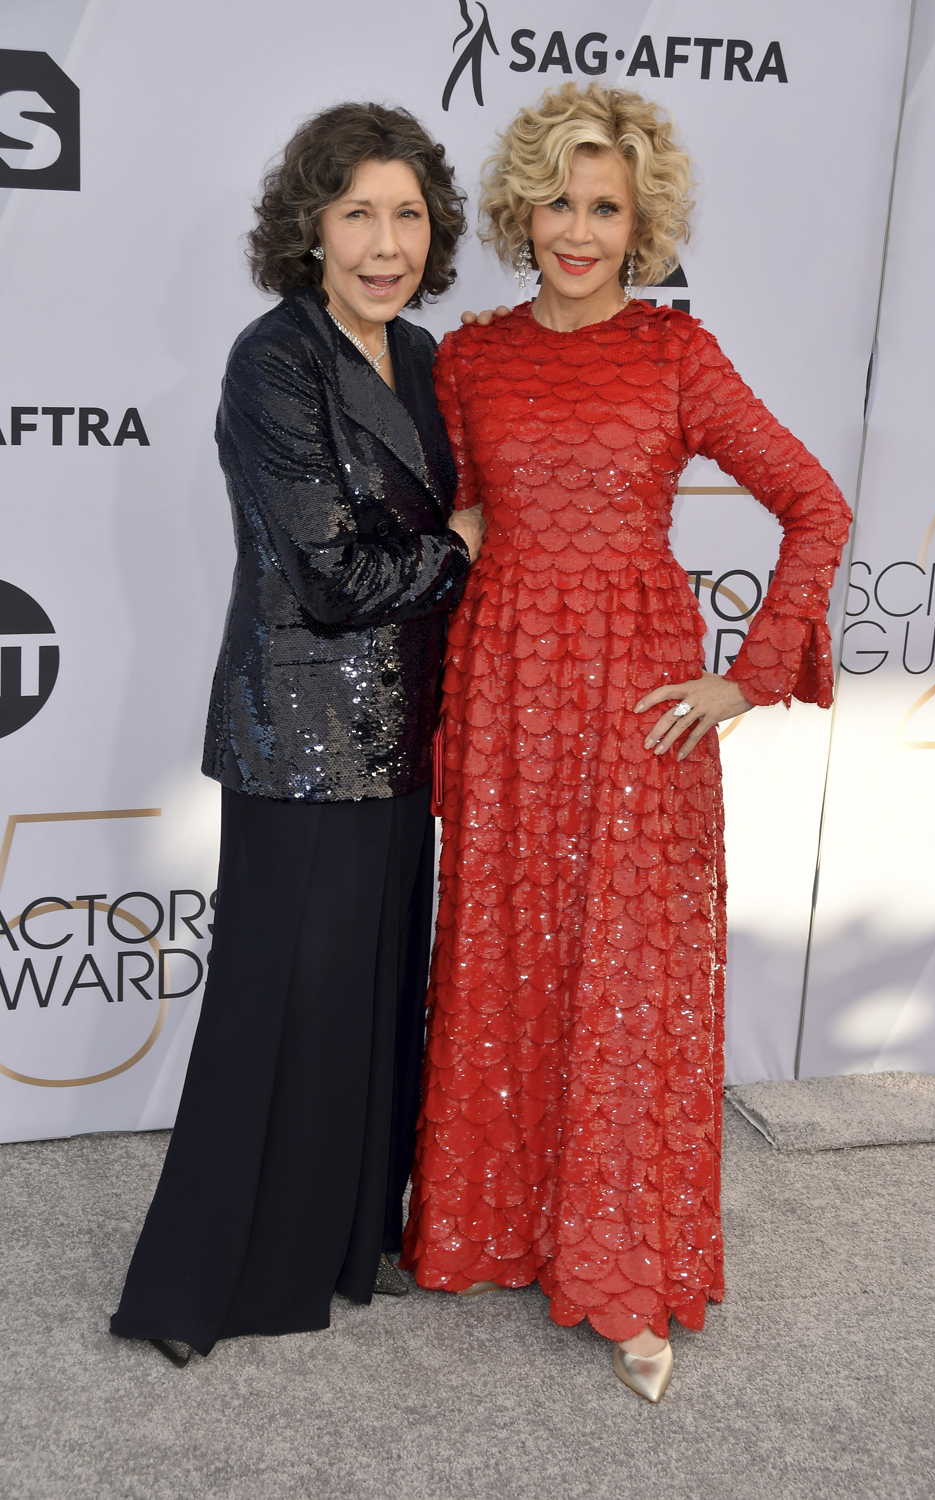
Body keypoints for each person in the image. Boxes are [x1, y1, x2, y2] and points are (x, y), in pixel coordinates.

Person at [401, 82, 853, 1403]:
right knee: (506, 956)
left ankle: (621, 1271)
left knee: (622, 977)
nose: (579, 229)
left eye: (606, 206)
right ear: (522, 209)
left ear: (643, 219)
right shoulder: (470, 358)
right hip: (505, 692)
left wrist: (750, 676)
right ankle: (490, 1228)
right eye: (558, 201)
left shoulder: (675, 355)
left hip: (633, 703)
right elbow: (468, 520)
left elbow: (813, 504)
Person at [110, 102, 484, 1363]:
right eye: (357, 214)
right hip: (302, 736)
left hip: (410, 738)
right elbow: (328, 579)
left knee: (372, 1001)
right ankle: (203, 1285)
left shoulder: (430, 357)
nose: (385, 243)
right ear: (310, 228)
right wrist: (459, 549)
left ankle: (335, 1247)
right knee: (276, 1007)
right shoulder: (272, 359)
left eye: (408, 216)